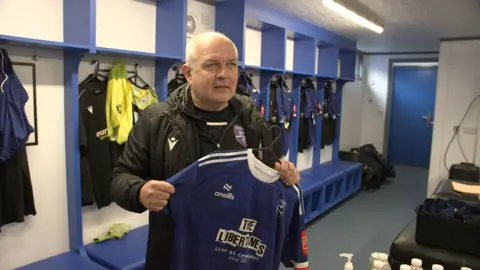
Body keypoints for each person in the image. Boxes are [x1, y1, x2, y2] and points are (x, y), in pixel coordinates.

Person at [110, 31, 301, 270]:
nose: (224, 74)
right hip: (175, 257)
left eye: (231, 64)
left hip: (238, 256)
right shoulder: (156, 120)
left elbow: (269, 176)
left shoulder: (253, 121)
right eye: (212, 64)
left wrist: (286, 175)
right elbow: (120, 176)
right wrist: (139, 191)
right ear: (188, 73)